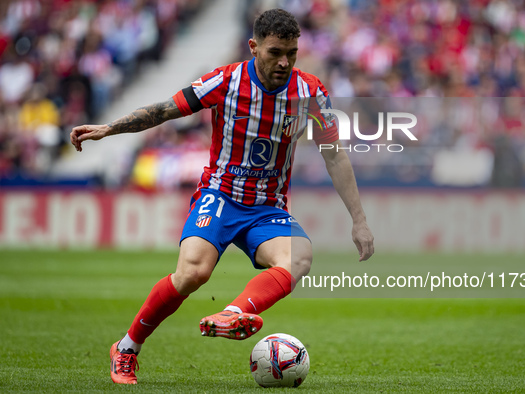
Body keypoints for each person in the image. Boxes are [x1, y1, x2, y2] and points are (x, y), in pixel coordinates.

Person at [70, 8, 374, 385]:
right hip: (221, 196)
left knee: (299, 258)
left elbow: (335, 154)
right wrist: (108, 128)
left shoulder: (311, 92)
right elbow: (166, 109)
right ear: (253, 47)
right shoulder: (227, 81)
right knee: (193, 273)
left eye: (291, 54)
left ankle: (232, 313)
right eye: (275, 52)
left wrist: (359, 221)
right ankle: (127, 348)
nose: (284, 62)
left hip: (267, 208)